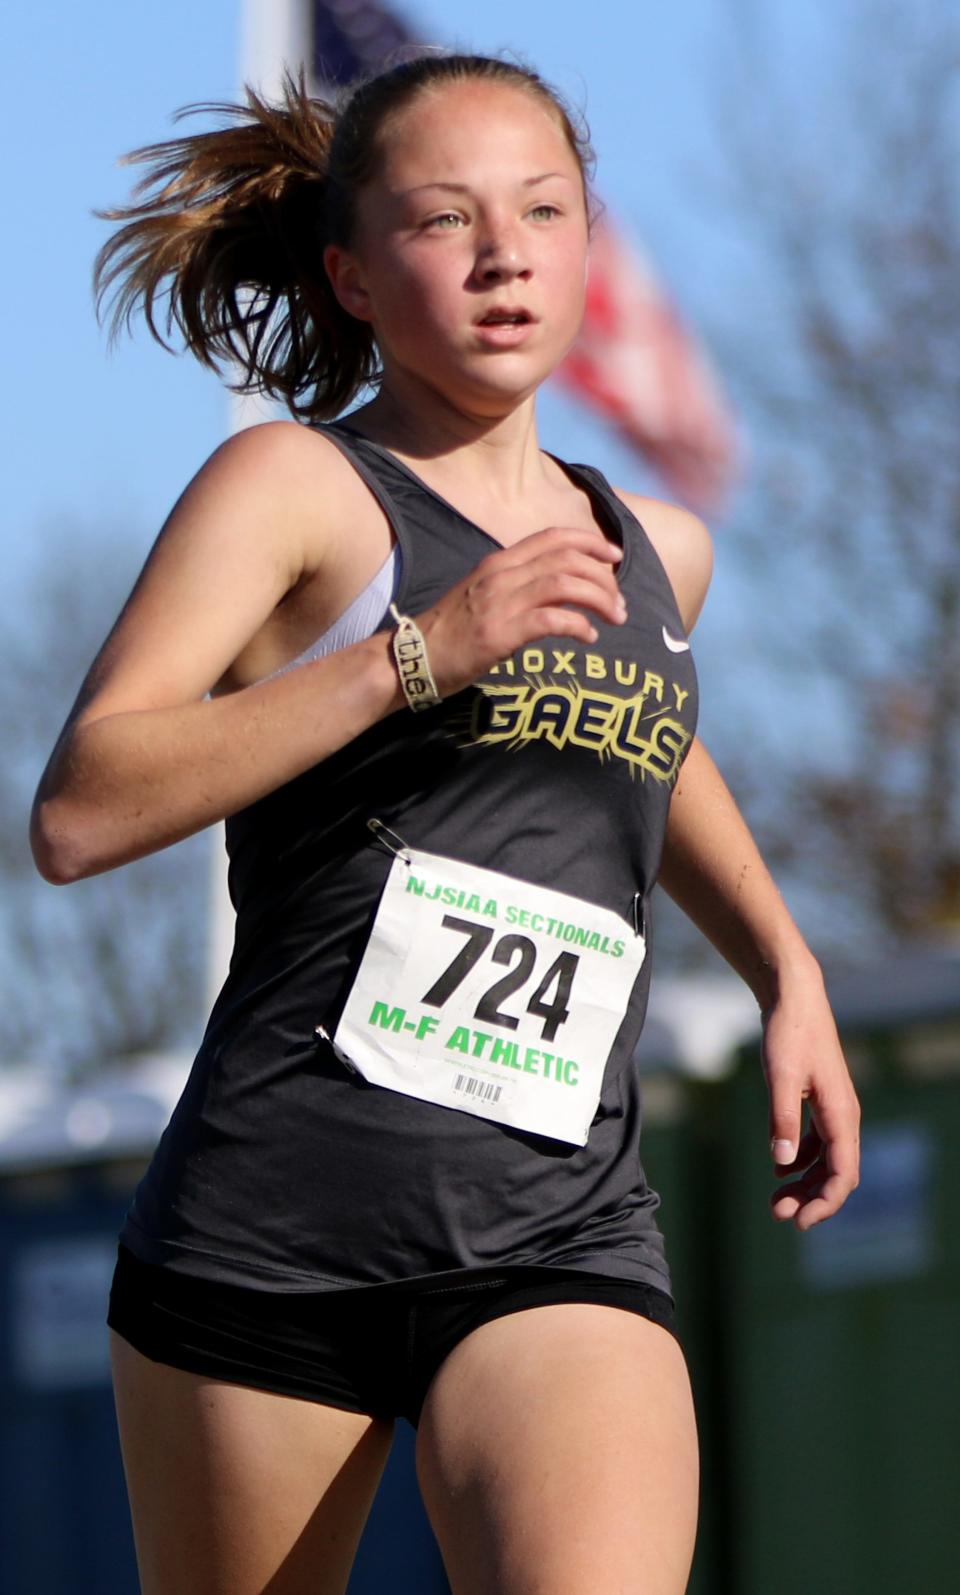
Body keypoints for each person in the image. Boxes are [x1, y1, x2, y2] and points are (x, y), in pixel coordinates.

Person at [31, 53, 860, 1595]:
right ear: (350, 273)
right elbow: (80, 812)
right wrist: (419, 655)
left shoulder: (653, 545)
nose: (505, 253)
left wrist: (784, 968)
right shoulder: (295, 486)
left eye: (544, 210)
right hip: (266, 1241)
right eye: (445, 218)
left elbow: (648, 747)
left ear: (588, 248)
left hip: (559, 1230)